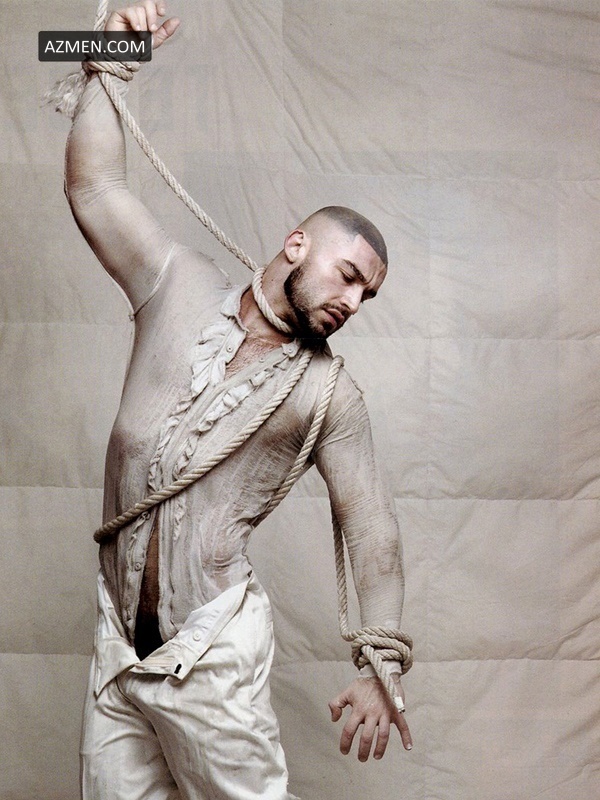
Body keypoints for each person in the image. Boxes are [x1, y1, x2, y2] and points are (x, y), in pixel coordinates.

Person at [65, 3, 412, 798]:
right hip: (118, 648)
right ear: (296, 244)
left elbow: (371, 525)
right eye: (348, 277)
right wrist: (102, 50)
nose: (352, 302)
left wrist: (380, 660)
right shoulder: (177, 285)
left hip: (213, 653)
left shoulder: (328, 391)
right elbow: (93, 186)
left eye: (367, 297)